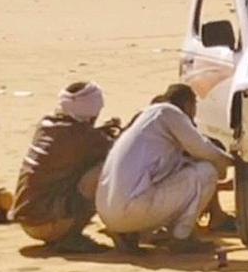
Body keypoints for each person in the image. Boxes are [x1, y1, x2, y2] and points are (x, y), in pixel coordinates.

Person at [96, 84, 234, 254]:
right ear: (188, 104)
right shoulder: (168, 113)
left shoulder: (147, 121)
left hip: (109, 214)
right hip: (132, 208)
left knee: (186, 172)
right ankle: (182, 237)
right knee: (206, 172)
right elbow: (202, 149)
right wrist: (234, 162)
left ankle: (129, 233)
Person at [9, 82, 116, 254]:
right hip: (46, 223)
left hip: (29, 220)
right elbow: (115, 150)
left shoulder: (47, 125)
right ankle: (70, 236)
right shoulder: (82, 136)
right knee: (108, 169)